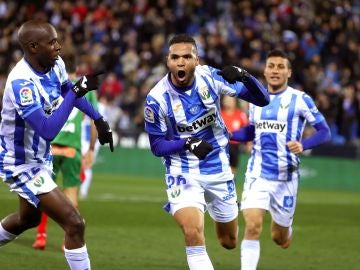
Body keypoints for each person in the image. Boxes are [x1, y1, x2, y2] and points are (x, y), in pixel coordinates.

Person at [143, 33, 270, 270]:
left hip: (218, 168)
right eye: (175, 57)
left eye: (186, 57)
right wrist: (187, 143)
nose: (180, 62)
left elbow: (262, 100)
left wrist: (245, 75)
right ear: (168, 61)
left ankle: (215, 208)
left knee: (229, 241)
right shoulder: (157, 99)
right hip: (182, 171)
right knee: (193, 233)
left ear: (196, 60)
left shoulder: (210, 77)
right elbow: (157, 146)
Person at [0, 20, 113, 270]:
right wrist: (75, 92)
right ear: (32, 47)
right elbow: (48, 129)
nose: (58, 46)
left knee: (27, 220)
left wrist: (99, 118)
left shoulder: (55, 64)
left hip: (40, 157)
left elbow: (66, 89)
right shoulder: (22, 83)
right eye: (51, 42)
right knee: (74, 223)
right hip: (20, 162)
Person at [231, 49, 331, 270]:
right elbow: (251, 131)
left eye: (280, 67)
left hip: (286, 179)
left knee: (280, 238)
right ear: (265, 71)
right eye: (271, 66)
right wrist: (229, 135)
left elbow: (324, 131)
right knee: (253, 226)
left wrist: (304, 145)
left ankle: (285, 230)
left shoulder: (300, 99)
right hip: (257, 173)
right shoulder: (255, 99)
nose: (275, 70)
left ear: (288, 72)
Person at [32, 54, 99, 250]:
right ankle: (67, 240)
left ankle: (41, 236)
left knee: (44, 193)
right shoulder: (86, 89)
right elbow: (94, 120)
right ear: (77, 68)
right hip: (72, 149)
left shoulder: (47, 84)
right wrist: (92, 149)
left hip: (49, 148)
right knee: (70, 194)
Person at [220, 95, 249, 176]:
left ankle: (231, 184)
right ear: (223, 101)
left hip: (235, 147)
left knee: (232, 171)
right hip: (221, 146)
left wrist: (249, 143)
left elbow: (247, 129)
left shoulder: (240, 114)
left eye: (231, 100)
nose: (229, 102)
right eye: (227, 100)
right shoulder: (219, 114)